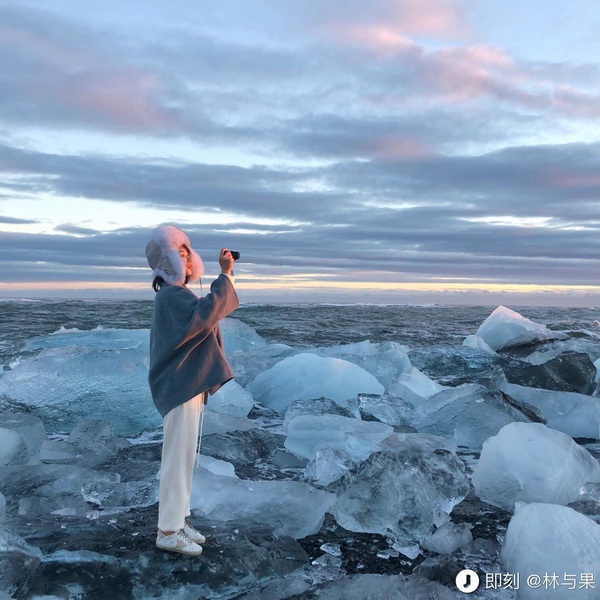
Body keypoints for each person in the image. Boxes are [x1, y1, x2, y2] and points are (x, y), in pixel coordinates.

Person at [145, 224, 238, 556]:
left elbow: (204, 318)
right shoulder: (171, 296)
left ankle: (178, 520)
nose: (186, 260)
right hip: (179, 385)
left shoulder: (178, 294)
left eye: (188, 254)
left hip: (188, 383)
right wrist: (225, 275)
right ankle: (168, 531)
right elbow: (206, 314)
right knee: (176, 458)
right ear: (167, 261)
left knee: (185, 457)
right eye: (179, 254)